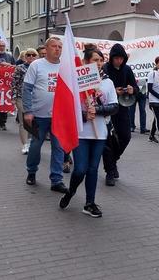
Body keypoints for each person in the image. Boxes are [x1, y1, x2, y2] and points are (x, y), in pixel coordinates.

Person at [60, 48, 118, 217]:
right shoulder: (76, 81)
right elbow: (68, 107)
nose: (99, 63)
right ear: (85, 62)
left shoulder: (108, 83)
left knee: (93, 169)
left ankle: (89, 203)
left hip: (99, 133)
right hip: (81, 133)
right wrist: (85, 114)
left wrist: (98, 110)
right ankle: (70, 191)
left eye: (101, 60)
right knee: (80, 169)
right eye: (94, 60)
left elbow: (114, 106)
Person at [22, 37, 68, 193]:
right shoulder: (36, 65)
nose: (57, 49)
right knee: (35, 146)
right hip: (38, 115)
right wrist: (28, 111)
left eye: (60, 47)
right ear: (46, 49)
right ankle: (32, 171)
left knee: (59, 147)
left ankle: (57, 179)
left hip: (59, 116)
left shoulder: (66, 66)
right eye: (54, 46)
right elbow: (26, 89)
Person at [101, 43, 138, 186]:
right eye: (116, 58)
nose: (119, 61)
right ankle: (110, 171)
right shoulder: (105, 69)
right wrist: (113, 91)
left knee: (125, 137)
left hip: (122, 108)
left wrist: (131, 90)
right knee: (109, 142)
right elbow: (100, 87)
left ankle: (113, 161)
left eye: (121, 58)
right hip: (108, 109)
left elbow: (136, 88)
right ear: (111, 58)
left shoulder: (127, 70)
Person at [11, 48, 38, 155]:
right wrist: (13, 97)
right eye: (28, 55)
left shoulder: (39, 67)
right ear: (25, 57)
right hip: (21, 97)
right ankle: (25, 144)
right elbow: (14, 83)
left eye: (33, 55)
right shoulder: (20, 68)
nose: (31, 57)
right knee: (24, 121)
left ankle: (33, 141)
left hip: (37, 98)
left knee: (35, 121)